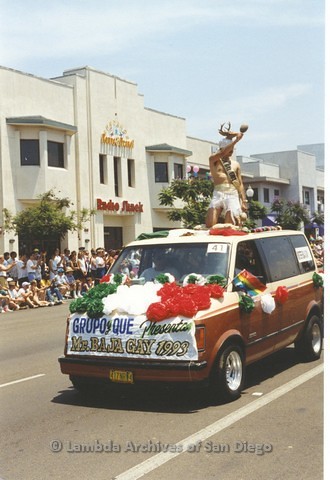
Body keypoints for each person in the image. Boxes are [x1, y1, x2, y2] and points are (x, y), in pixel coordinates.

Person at [205, 130, 248, 228]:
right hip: (218, 193)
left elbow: (240, 183)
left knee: (230, 224)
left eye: (232, 148)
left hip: (232, 193)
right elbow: (223, 152)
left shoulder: (236, 164)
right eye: (230, 148)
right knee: (210, 224)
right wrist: (236, 140)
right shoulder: (214, 160)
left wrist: (244, 201)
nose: (231, 150)